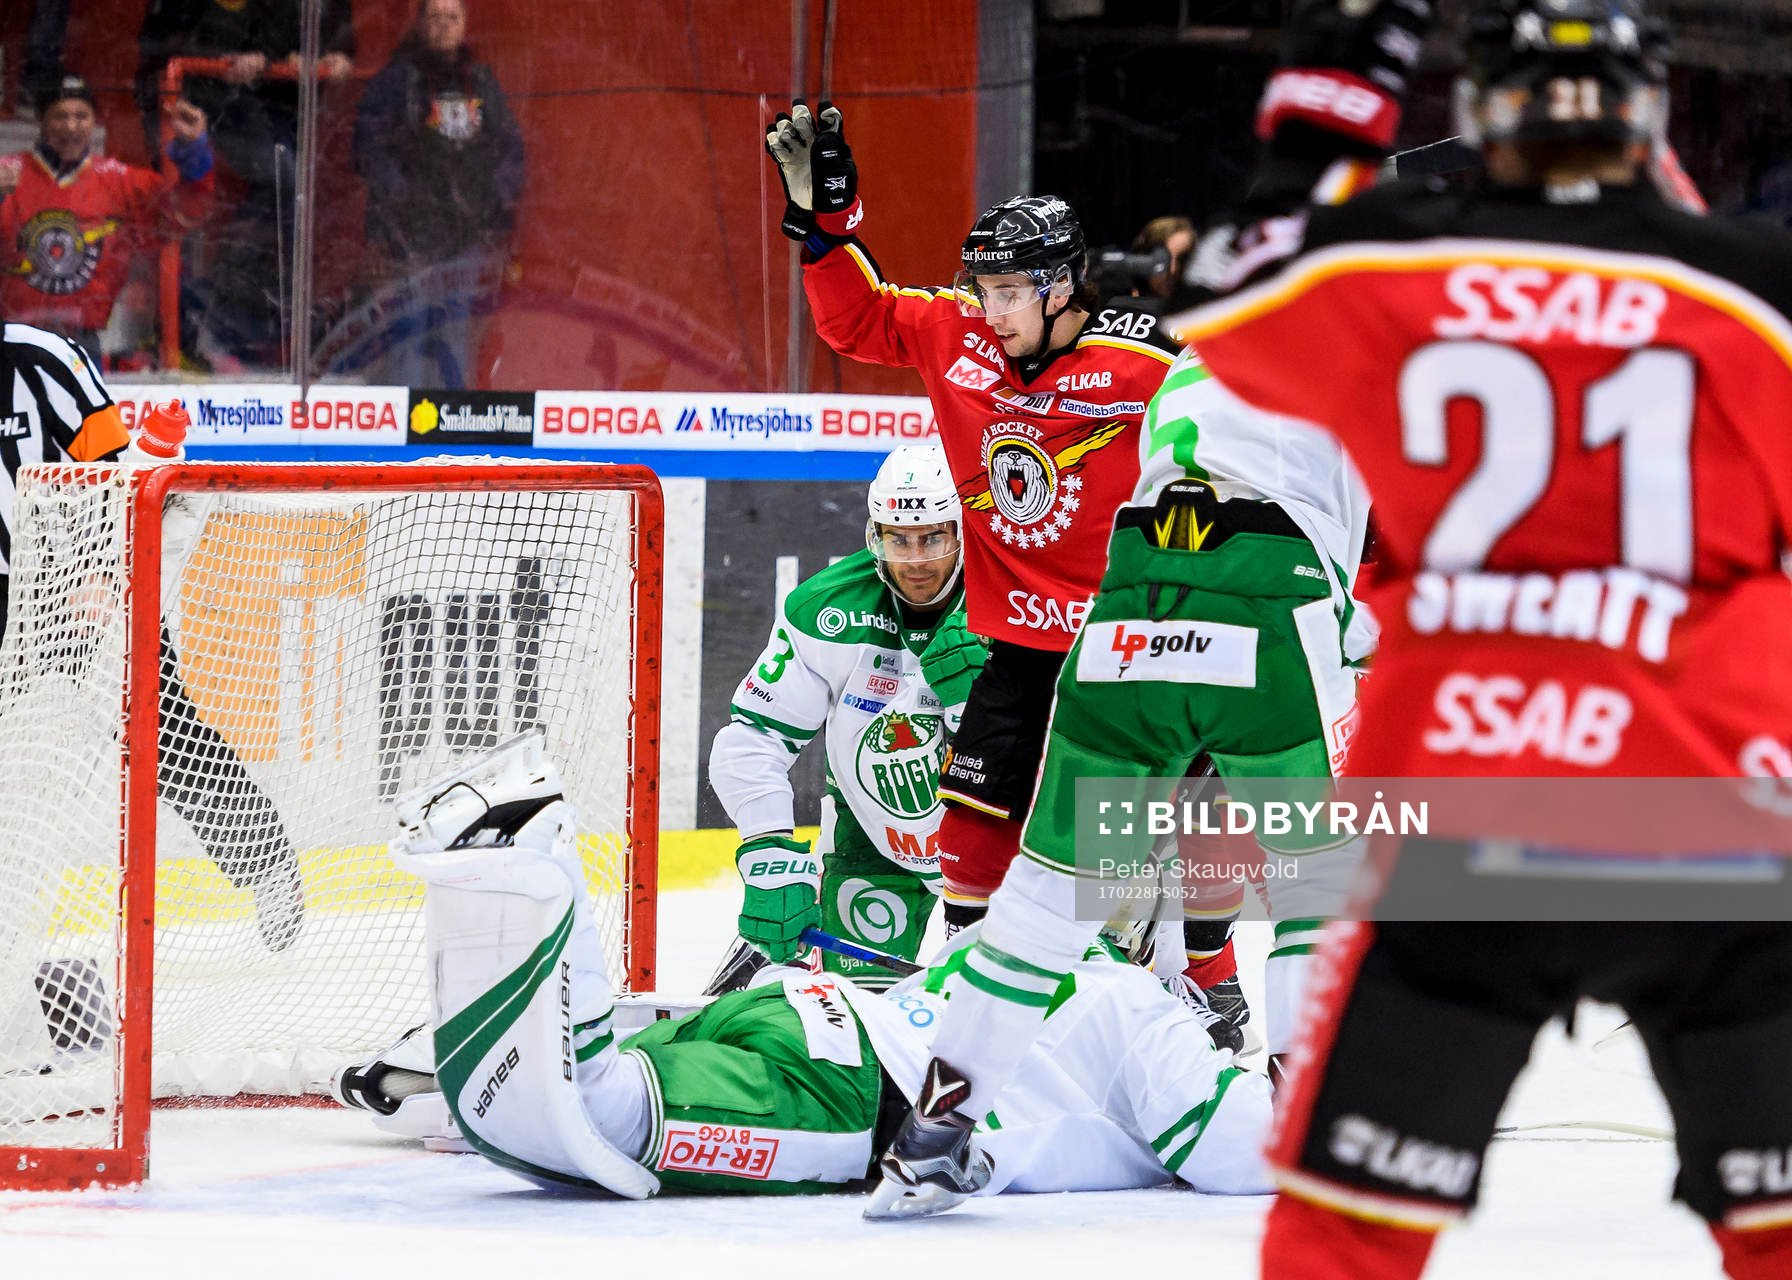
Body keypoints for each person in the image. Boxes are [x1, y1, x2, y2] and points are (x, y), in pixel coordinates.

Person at [335, 731, 1274, 1206]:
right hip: (844, 1099)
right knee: (610, 1116)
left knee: (593, 1099)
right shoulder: (1135, 1010)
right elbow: (1239, 1149)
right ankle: (549, 863)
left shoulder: (999, 947)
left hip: (805, 1022)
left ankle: (439, 1076)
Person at [765, 101, 1179, 943]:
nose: (992, 310)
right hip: (1021, 650)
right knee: (970, 831)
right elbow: (858, 321)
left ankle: (1201, 989)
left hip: (1125, 651)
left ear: (1063, 286)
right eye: (983, 289)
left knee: (1132, 857)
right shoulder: (959, 336)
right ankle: (961, 983)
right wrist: (822, 231)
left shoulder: (1148, 361)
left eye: (1011, 292)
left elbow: (1253, 420)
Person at [0, 327, 303, 950]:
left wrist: (104, 570)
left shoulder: (38, 362)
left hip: (69, 595)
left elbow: (122, 479)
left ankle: (264, 863)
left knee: (167, 732)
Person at [706, 446, 984, 993]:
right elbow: (754, 737)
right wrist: (765, 845)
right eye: (897, 538)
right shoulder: (825, 609)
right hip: (874, 841)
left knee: (1027, 1023)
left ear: (962, 530)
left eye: (933, 537)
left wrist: (979, 699)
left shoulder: (1018, 596)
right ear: (871, 535)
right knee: (856, 1022)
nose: (916, 559)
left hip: (998, 850)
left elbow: (1084, 732)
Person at [136, 0, 357, 368]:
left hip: (235, 100)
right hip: (182, 97)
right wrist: (227, 59)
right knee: (178, 207)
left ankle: (220, 306)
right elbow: (159, 43)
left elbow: (279, 34)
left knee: (287, 182)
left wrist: (278, 58)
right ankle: (179, 328)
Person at [351, 0, 525, 389]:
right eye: (435, 17)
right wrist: (403, 197)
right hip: (412, 235)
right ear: (420, 24)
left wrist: (490, 197)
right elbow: (368, 148)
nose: (444, 26)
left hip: (466, 233)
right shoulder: (397, 80)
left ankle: (453, 426)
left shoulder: (481, 81)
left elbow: (511, 149)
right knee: (410, 325)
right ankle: (402, 433)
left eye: (453, 17)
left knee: (457, 330)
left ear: (465, 24)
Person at [0, 75, 213, 363]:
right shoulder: (6, 174)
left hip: (82, 340)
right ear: (42, 121)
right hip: (11, 337)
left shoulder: (120, 181)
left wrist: (193, 153)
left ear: (94, 121)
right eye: (60, 116)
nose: (71, 126)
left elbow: (182, 215)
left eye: (81, 116)